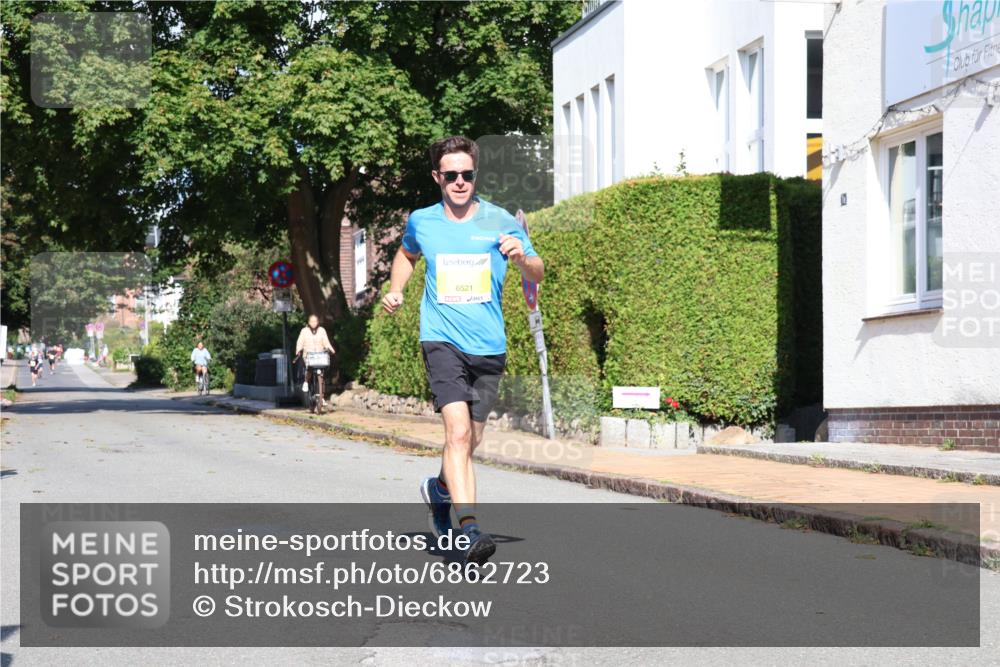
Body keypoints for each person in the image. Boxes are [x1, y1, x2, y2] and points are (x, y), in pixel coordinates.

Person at [382, 135, 544, 565]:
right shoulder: (423, 220)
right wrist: (396, 289)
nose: (459, 182)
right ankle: (469, 529)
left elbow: (538, 270)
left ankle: (438, 490)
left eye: (467, 175)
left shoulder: (501, 220)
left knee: (470, 440)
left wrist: (521, 258)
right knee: (455, 433)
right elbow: (406, 254)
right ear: (437, 177)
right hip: (441, 339)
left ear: (475, 175)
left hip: (489, 344)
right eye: (450, 175)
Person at [294, 314, 336, 402]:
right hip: (308, 356)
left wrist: (331, 350)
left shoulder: (322, 330)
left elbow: (326, 342)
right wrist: (298, 350)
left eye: (315, 321)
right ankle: (306, 381)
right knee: (309, 369)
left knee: (322, 376)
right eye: (312, 321)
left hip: (320, 356)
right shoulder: (304, 331)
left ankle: (322, 396)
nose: (314, 323)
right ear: (309, 322)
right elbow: (300, 341)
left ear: (318, 322)